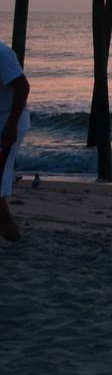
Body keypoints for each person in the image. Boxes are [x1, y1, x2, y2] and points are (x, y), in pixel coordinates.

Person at [0, 38, 30, 242]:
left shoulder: (2, 54)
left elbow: (23, 86)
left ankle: (10, 232)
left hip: (8, 121)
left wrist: (11, 124)